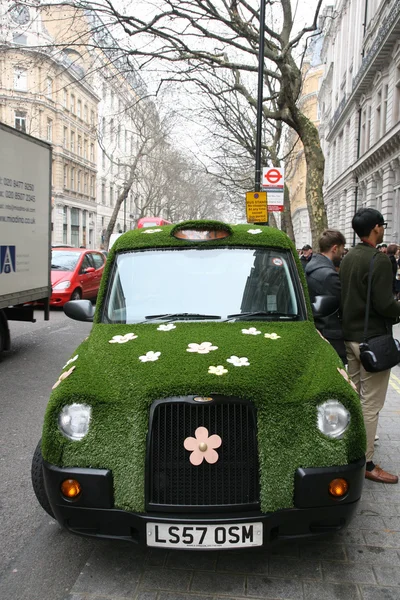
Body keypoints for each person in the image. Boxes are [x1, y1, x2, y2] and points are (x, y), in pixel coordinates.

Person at [340, 208, 400, 484]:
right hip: (372, 340)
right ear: (376, 228)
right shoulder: (380, 260)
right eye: (382, 225)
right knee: (370, 404)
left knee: (353, 397)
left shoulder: (348, 255)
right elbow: (385, 305)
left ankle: (345, 449)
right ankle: (365, 462)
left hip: (349, 337)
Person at [305, 229, 347, 364]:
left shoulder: (310, 266)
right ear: (335, 248)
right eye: (342, 249)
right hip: (330, 336)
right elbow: (343, 306)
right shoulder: (329, 276)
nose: (342, 253)